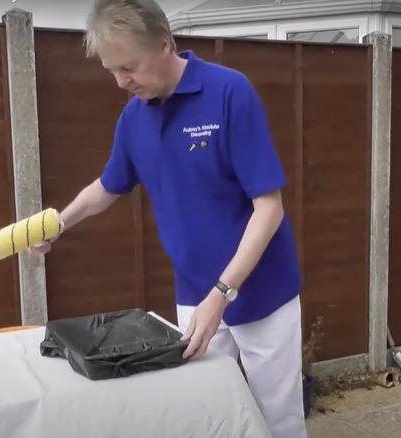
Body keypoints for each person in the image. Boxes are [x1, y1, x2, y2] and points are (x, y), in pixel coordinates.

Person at [29, 1, 307, 437]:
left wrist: (222, 293)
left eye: (130, 67)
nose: (122, 81)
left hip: (261, 293)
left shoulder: (230, 93)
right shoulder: (133, 117)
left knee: (278, 417)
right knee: (207, 413)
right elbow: (108, 187)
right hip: (194, 294)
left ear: (163, 46)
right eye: (112, 71)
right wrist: (58, 224)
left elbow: (269, 208)